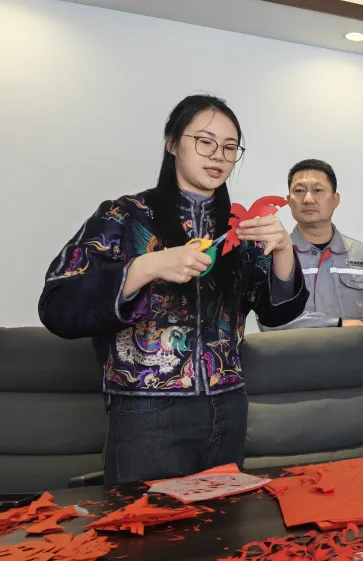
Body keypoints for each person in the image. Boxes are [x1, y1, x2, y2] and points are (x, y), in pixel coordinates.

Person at [38, 95, 308, 484]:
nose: (218, 156)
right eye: (205, 141)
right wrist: (146, 267)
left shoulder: (238, 226)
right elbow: (58, 304)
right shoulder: (124, 216)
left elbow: (276, 311)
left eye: (230, 147)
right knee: (148, 522)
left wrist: (283, 250)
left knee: (225, 519)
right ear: (172, 143)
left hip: (227, 406)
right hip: (146, 410)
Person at [258, 159, 363, 331]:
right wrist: (336, 323)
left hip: (350, 350)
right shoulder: (272, 253)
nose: (308, 199)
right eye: (299, 191)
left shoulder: (360, 253)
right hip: (294, 350)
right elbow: (269, 322)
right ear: (289, 201)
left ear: (335, 200)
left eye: (318, 190)